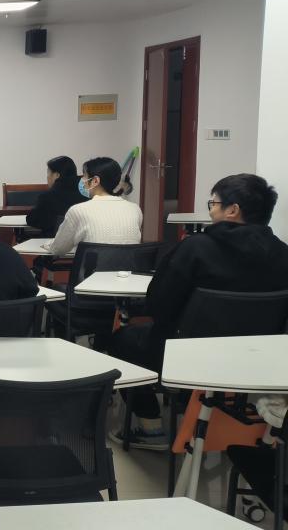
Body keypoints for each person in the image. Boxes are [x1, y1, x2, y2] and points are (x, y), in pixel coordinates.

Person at [109, 174, 288, 448]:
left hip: (186, 356)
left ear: (232, 210)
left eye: (213, 204)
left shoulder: (195, 248)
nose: (211, 211)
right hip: (256, 362)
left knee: (122, 340)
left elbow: (158, 304)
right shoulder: (283, 254)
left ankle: (151, 427)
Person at [49, 157, 142, 257]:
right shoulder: (135, 209)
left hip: (93, 267)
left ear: (95, 181)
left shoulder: (78, 210)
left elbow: (58, 249)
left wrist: (49, 244)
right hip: (128, 267)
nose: (81, 180)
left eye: (84, 176)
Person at [26, 156, 84, 237]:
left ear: (57, 175)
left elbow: (32, 220)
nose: (47, 177)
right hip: (82, 242)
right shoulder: (88, 194)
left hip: (54, 241)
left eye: (48, 173)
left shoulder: (47, 197)